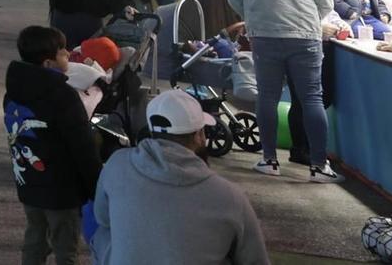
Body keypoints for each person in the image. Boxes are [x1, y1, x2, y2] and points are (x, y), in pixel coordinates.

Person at [225, 0, 344, 180]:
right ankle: (318, 165)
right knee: (312, 98)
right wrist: (309, 20)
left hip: (263, 35)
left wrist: (254, 17)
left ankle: (269, 161)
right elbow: (325, 1)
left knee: (267, 97)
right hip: (304, 36)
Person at [92, 89, 270, 265]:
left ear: (152, 131)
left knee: (102, 233)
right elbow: (256, 259)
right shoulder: (230, 196)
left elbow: (101, 218)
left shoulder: (117, 165)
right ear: (199, 136)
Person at [5, 25, 102, 265]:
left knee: (35, 238)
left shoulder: (14, 91)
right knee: (65, 247)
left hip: (29, 181)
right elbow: (82, 146)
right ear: (48, 63)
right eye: (62, 52)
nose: (68, 54)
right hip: (63, 188)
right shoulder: (63, 96)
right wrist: (96, 185)